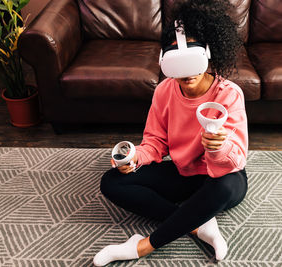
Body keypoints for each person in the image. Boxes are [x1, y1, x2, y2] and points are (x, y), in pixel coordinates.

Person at [93, 0, 248, 265]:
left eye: (192, 57)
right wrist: (135, 158)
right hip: (182, 172)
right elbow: (154, 142)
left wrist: (218, 146)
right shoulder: (164, 91)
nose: (186, 73)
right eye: (176, 59)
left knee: (225, 187)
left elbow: (237, 159)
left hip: (219, 176)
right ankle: (199, 226)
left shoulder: (228, 94)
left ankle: (141, 246)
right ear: (165, 61)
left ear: (209, 52)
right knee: (112, 182)